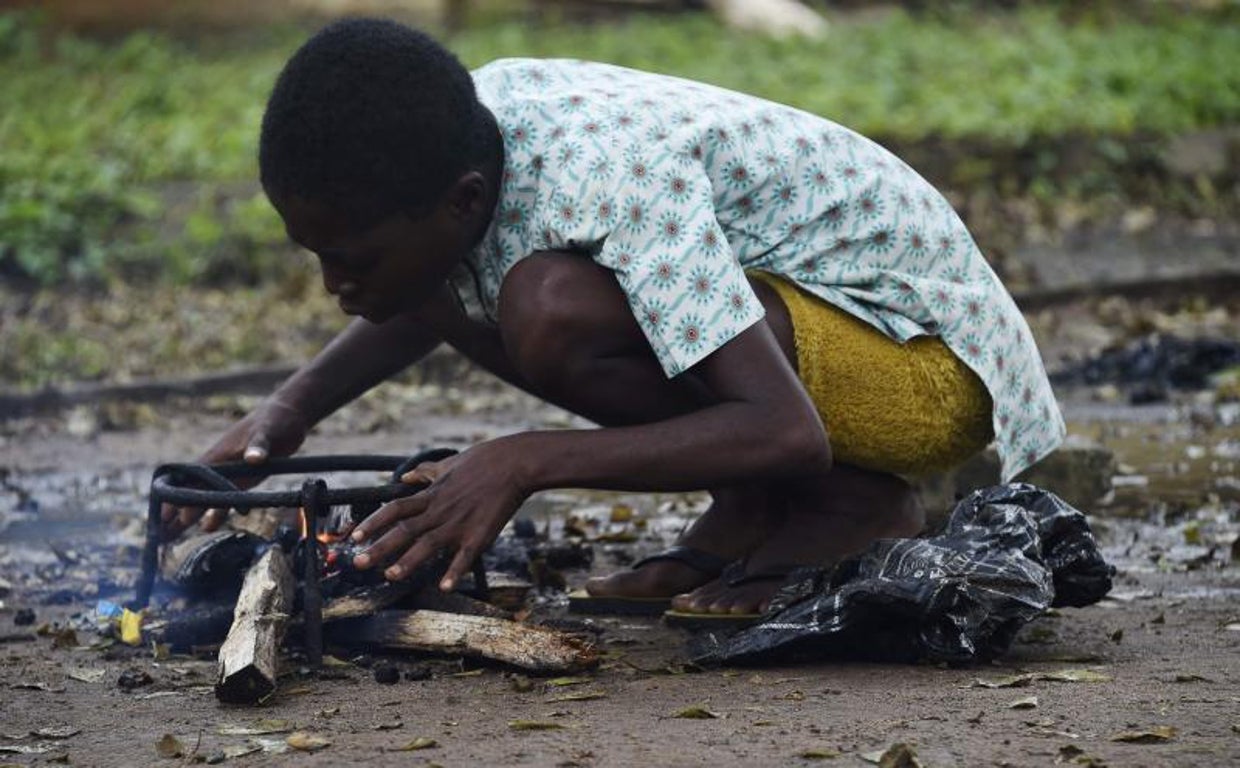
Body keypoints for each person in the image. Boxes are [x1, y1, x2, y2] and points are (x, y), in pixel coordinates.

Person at [162, 17, 1065, 624]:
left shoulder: (612, 181)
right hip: (815, 341)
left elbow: (781, 427)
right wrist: (291, 408)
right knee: (487, 288)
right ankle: (750, 509)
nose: (332, 285)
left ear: (461, 198)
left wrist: (523, 460)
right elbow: (420, 285)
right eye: (315, 255)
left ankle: (857, 501)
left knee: (548, 305)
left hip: (929, 370)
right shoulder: (457, 145)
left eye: (349, 259)